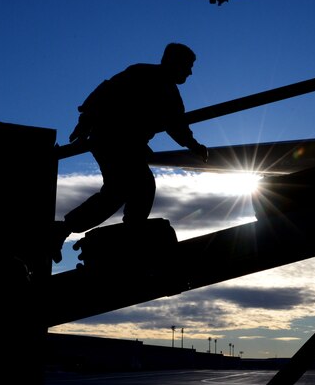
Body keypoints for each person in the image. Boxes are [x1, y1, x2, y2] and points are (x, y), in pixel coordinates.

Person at [51, 42, 209, 262]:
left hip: (127, 144)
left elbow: (177, 126)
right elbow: (106, 91)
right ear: (173, 62)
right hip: (112, 139)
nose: (190, 72)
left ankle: (122, 231)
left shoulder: (170, 93)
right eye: (188, 66)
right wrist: (85, 121)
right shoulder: (142, 73)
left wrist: (194, 146)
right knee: (135, 186)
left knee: (127, 189)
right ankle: (126, 231)